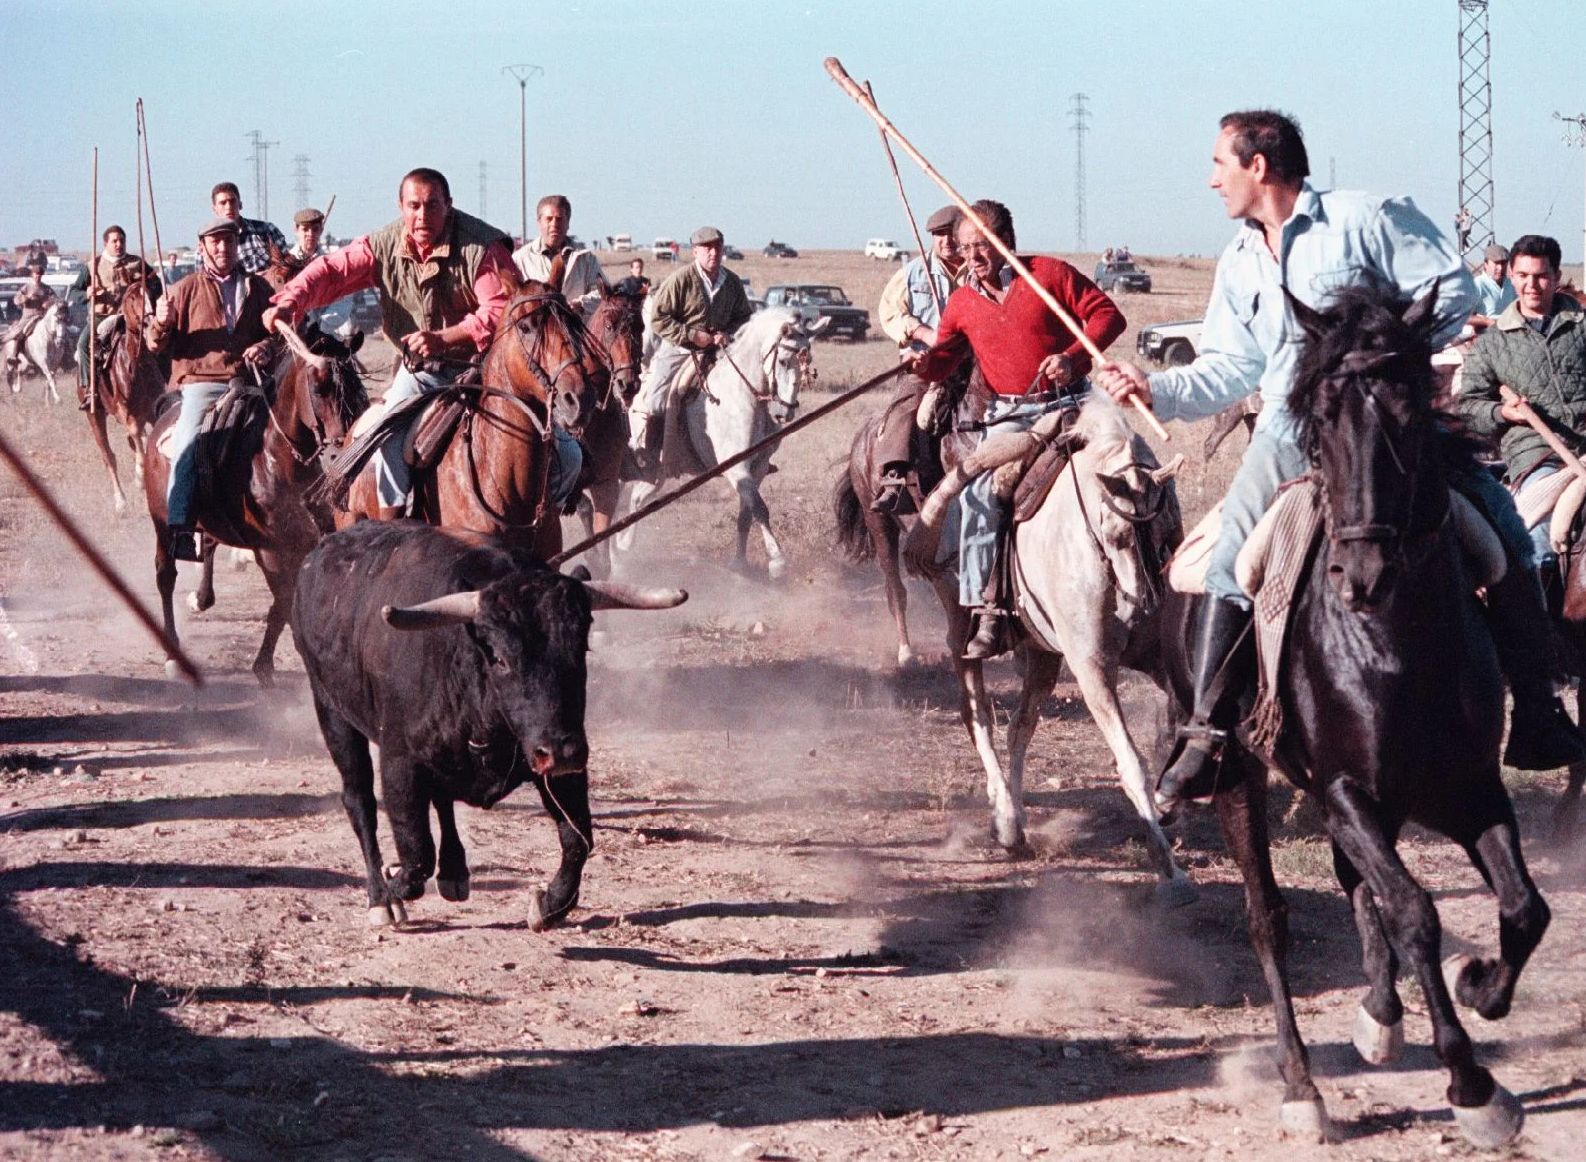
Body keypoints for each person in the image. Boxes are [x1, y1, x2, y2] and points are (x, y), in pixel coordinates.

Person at [1093, 110, 1584, 809]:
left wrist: (1385, 362)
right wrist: (1157, 388)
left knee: (1501, 528)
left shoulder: (1368, 218)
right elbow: (1231, 367)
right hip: (1290, 432)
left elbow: (1454, 292)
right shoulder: (1238, 258)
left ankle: (1535, 711)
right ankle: (1206, 731)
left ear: (1258, 165)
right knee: (1229, 558)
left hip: (1386, 425)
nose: (1211, 180)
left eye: (1218, 165)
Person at [267, 168, 581, 519]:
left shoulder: (482, 247)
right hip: (421, 374)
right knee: (387, 441)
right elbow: (334, 270)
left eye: (432, 205)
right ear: (401, 207)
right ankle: (394, 533)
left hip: (488, 371)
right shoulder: (383, 245)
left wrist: (445, 338)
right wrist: (291, 300)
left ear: (449, 205)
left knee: (570, 457)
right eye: (413, 206)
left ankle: (543, 528)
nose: (422, 215)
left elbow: (499, 310)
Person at [915, 200, 1126, 659]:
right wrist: (925, 363)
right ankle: (988, 608)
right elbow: (945, 359)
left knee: (1132, 468)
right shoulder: (962, 302)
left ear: (1007, 243)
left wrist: (1073, 358)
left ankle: (1160, 572)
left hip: (1073, 403)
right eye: (965, 247)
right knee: (977, 496)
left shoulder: (1048, 275)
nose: (971, 256)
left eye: (982, 246)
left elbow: (1109, 316)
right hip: (1011, 417)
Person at [143, 217, 277, 561]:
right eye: (215, 242)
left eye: (229, 241)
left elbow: (275, 332)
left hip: (251, 381)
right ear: (202, 247)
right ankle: (182, 526)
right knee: (188, 440)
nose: (223, 248)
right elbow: (157, 345)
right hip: (203, 383)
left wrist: (265, 347)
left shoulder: (258, 288)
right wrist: (160, 321)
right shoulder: (185, 288)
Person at [1458, 234, 1586, 573]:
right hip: (1537, 456)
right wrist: (1503, 413)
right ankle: (1546, 616)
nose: (1533, 285)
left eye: (1542, 275)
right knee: (1541, 534)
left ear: (1556, 277)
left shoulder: (1582, 327)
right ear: (1512, 276)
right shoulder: (1493, 343)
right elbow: (1469, 406)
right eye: (1524, 276)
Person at [871, 204, 967, 512]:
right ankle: (894, 477)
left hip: (972, 363)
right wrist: (920, 332)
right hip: (925, 363)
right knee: (908, 404)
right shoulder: (913, 273)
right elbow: (890, 312)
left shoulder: (977, 270)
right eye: (938, 236)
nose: (946, 242)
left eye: (951, 234)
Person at [627, 226, 754, 455]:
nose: (713, 253)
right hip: (680, 350)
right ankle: (650, 454)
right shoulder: (680, 279)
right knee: (656, 397)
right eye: (707, 248)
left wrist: (727, 334)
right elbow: (658, 318)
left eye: (717, 247)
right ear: (695, 251)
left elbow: (744, 317)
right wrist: (692, 335)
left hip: (719, 350)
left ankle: (754, 453)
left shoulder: (732, 282)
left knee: (749, 387)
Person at [71, 225, 159, 406]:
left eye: (122, 240)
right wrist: (88, 293)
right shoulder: (93, 266)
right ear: (106, 243)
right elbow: (73, 292)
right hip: (103, 316)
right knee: (83, 345)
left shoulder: (136, 262)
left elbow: (156, 284)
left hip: (132, 317)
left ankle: (164, 382)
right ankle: (90, 389)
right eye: (115, 241)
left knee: (159, 340)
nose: (119, 244)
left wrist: (146, 289)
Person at [511, 194, 605, 317]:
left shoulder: (585, 258)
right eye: (549, 219)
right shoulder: (521, 259)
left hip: (577, 331)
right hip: (538, 333)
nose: (554, 224)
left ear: (568, 223)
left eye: (559, 219)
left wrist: (582, 304)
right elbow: (510, 300)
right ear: (539, 222)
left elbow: (603, 294)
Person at [287, 207, 352, 334]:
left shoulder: (332, 264)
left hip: (322, 334)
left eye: (315, 229)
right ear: (296, 229)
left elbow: (344, 300)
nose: (310, 234)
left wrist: (323, 325)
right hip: (291, 333)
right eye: (305, 229)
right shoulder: (285, 265)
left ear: (321, 230)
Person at [210, 182, 290, 276]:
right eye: (223, 203)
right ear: (214, 209)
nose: (228, 207)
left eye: (232, 201)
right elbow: (204, 281)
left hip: (268, 288)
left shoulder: (267, 231)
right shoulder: (207, 244)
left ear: (240, 205)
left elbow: (286, 266)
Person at [2, 253, 55, 357]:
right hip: (28, 317)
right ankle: (14, 356)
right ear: (32, 275)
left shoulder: (46, 288)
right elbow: (16, 300)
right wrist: (26, 298)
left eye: (40, 274)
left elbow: (56, 299)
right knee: (20, 334)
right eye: (36, 274)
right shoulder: (26, 287)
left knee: (58, 333)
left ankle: (64, 361)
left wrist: (49, 303)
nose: (38, 276)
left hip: (42, 317)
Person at [1472, 242, 1517, 321]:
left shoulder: (1511, 284)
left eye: (1503, 263)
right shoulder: (1477, 285)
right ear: (1486, 264)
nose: (1500, 268)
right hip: (1485, 331)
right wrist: (1486, 322)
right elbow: (1463, 317)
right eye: (1496, 263)